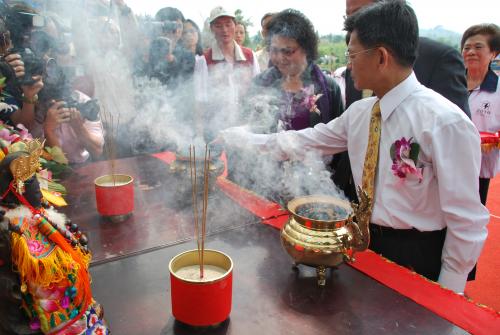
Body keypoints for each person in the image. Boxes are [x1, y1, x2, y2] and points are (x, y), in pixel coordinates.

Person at [219, 0, 489, 294]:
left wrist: (449, 291)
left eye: (352, 54)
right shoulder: (361, 113)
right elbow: (303, 140)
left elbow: (466, 220)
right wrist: (244, 140)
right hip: (363, 244)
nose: (348, 63)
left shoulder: (444, 122)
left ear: (381, 57)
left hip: (417, 254)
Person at [332, 0, 472, 203]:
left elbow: (463, 215)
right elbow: (321, 137)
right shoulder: (360, 108)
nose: (349, 65)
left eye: (359, 14)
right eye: (349, 16)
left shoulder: (445, 119)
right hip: (359, 212)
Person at [0, 140, 109, 334]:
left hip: (73, 301)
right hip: (41, 315)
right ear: (17, 188)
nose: (36, 187)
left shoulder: (40, 213)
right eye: (30, 181)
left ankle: (82, 314)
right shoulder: (9, 230)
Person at [194, 6, 260, 141]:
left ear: (235, 25)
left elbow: (258, 92)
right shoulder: (204, 61)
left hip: (245, 129)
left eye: (228, 24)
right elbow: (200, 101)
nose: (224, 30)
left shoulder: (250, 56)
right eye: (218, 26)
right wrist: (199, 136)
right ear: (212, 29)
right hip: (216, 130)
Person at [461, 23, 500, 205]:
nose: (470, 52)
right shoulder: (449, 81)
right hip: (442, 163)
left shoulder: (498, 89)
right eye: (467, 47)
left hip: (479, 169)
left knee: (470, 221)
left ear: (494, 53)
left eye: (478, 47)